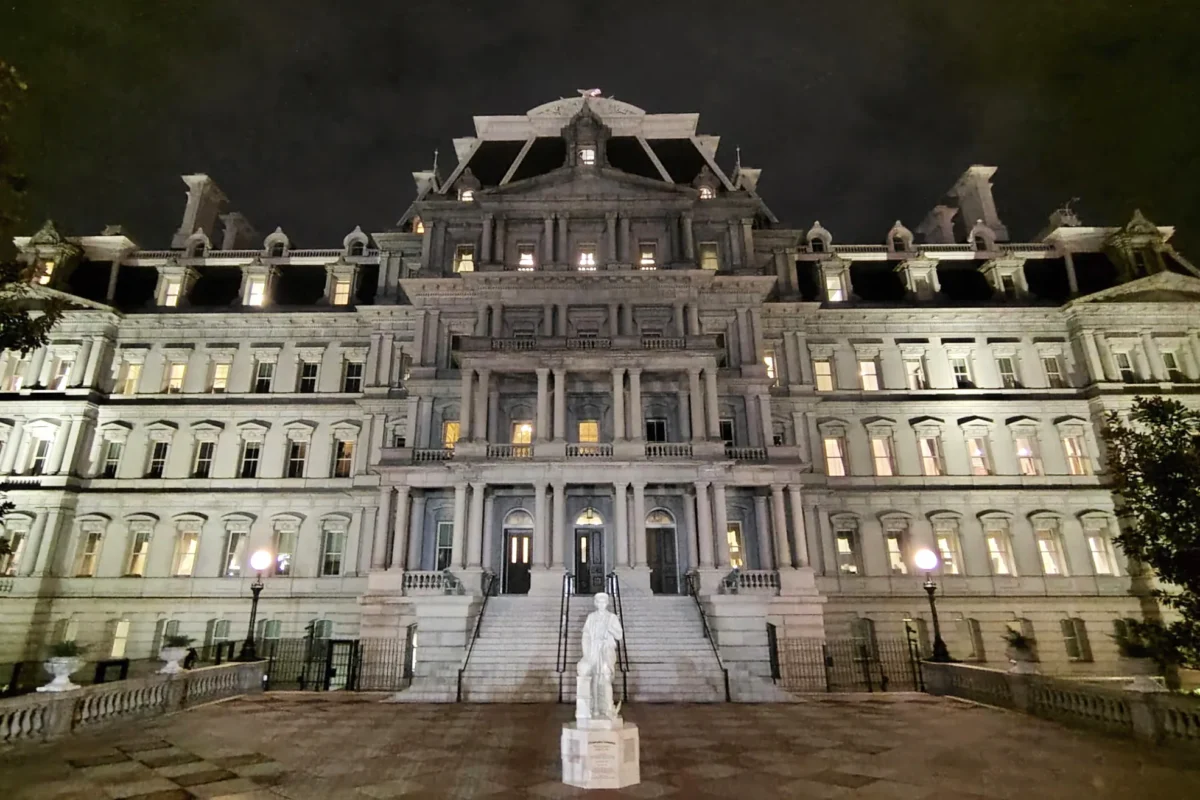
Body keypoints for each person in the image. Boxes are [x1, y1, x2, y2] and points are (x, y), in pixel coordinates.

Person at [576, 592, 624, 722]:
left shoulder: (612, 617)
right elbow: (586, 635)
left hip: (606, 650)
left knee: (606, 678)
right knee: (595, 679)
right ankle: (595, 708)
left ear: (607, 603)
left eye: (603, 602)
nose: (601, 604)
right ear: (595, 603)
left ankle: (608, 708)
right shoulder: (591, 617)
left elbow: (619, 635)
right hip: (594, 650)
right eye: (599, 602)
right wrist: (586, 654)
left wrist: (610, 629)